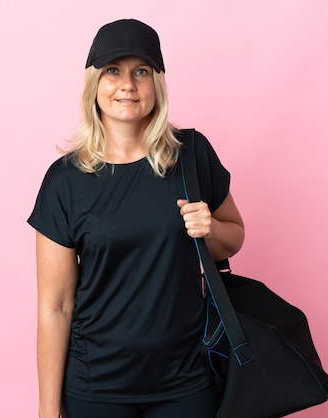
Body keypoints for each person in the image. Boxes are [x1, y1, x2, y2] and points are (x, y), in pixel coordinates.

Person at [28, 18, 245, 418]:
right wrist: (47, 408)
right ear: (95, 84)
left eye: (140, 71)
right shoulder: (65, 180)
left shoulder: (191, 156)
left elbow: (234, 238)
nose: (127, 84)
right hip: (96, 386)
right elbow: (55, 306)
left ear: (156, 84)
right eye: (113, 71)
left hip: (185, 382)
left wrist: (210, 230)